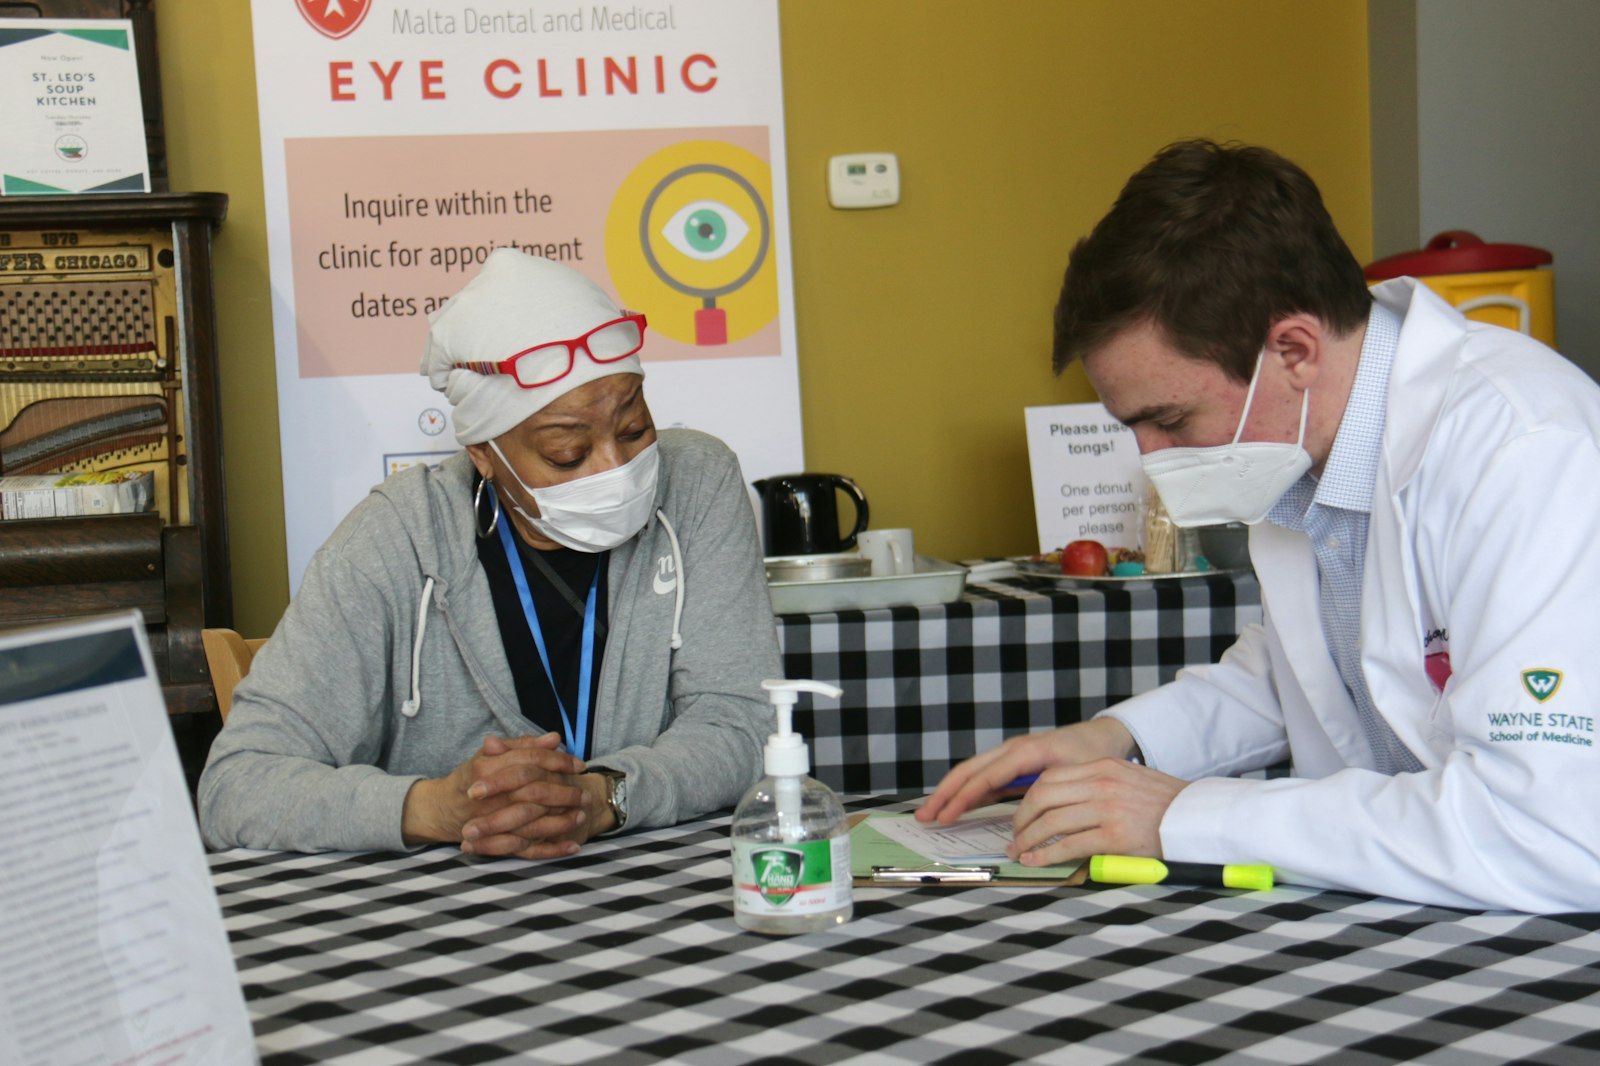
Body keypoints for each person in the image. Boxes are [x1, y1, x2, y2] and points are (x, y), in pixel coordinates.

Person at [920, 139, 1600, 912]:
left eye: (1169, 418)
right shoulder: (1302, 452)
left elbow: (1544, 830)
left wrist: (1182, 813)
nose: (1152, 458)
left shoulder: (1525, 450)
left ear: (1295, 350)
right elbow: (1309, 674)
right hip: (1413, 906)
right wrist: (1116, 743)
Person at [200, 248, 783, 858]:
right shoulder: (395, 538)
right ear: (484, 453)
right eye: (567, 453)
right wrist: (437, 808)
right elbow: (235, 787)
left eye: (635, 429)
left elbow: (742, 723)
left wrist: (603, 797)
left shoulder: (696, 482)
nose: (616, 467)